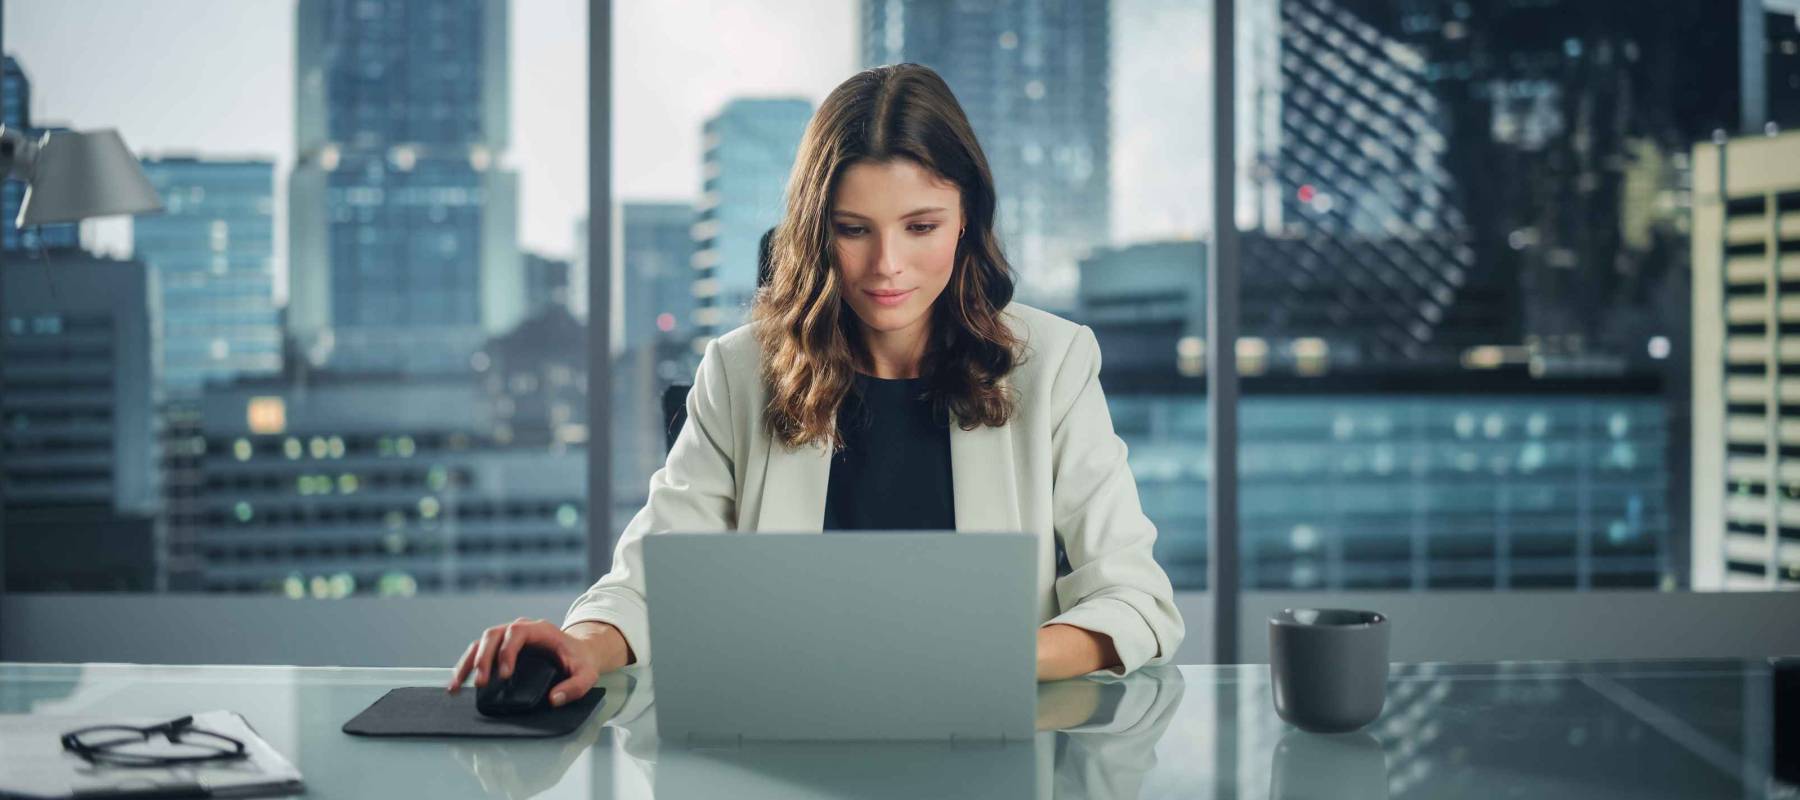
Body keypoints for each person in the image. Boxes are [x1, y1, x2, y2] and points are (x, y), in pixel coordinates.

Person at [448, 62, 1184, 708]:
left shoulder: (1052, 362)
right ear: (812, 232)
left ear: (967, 219)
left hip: (990, 742)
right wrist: (586, 643)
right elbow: (654, 581)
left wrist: (994, 661)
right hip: (785, 743)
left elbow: (1135, 598)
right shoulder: (739, 371)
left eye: (920, 226)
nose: (886, 266)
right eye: (853, 229)